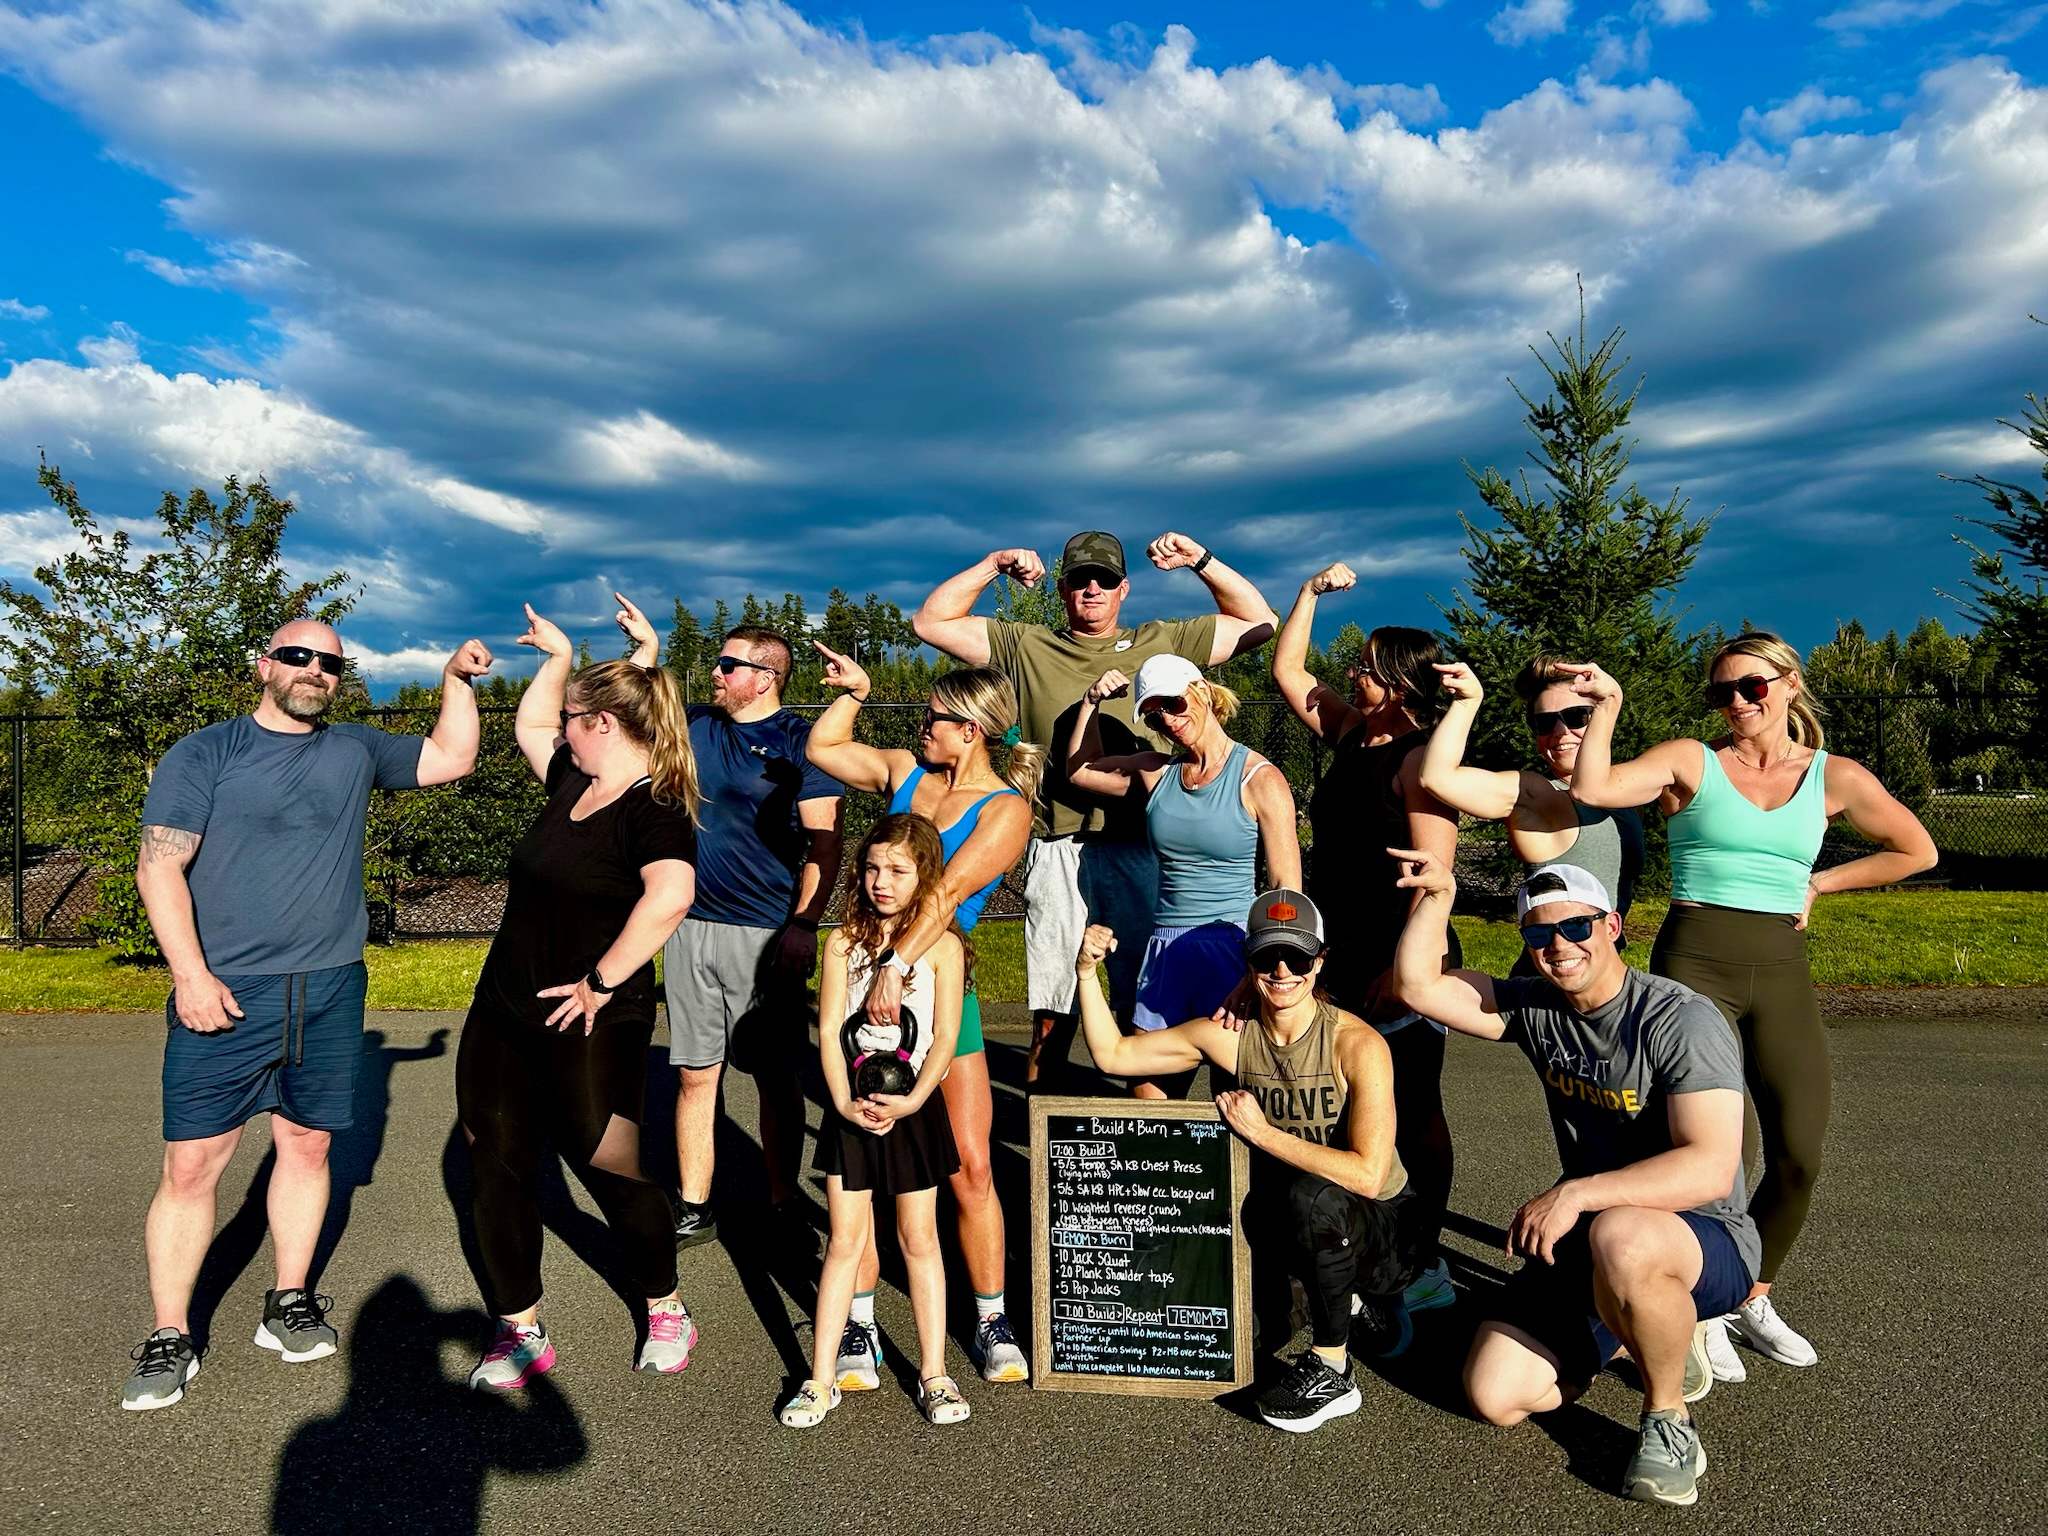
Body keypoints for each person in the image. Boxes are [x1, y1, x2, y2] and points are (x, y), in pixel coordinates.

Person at [122, 620, 491, 1410]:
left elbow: (453, 758)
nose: (313, 671)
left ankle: (288, 1299)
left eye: (329, 662)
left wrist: (455, 678)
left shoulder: (355, 748)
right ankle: (169, 1334)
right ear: (265, 666)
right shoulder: (206, 753)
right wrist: (190, 976)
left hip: (329, 989)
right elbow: (160, 868)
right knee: (193, 1165)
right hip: (227, 988)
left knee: (309, 1144)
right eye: (297, 657)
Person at [1564, 633, 1936, 1377]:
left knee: (1799, 1150)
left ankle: (1748, 1296)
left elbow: (1916, 850)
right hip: (1693, 960)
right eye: (1722, 693)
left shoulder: (1836, 777)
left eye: (1752, 688)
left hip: (1781, 967)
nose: (1737, 704)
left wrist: (1822, 883)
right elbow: (1594, 788)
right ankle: (1694, 1306)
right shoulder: (1690, 761)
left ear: (1789, 684)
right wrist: (1607, 705)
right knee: (1715, 1153)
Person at [1390, 854, 1756, 1508]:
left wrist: (1576, 1193)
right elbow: (1419, 988)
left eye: (1577, 927)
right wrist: (1437, 895)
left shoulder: (1678, 1020)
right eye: (1538, 935)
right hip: (1599, 1237)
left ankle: (1668, 1420)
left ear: (1612, 925)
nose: (1559, 946)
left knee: (1624, 1238)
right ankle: (1633, 1330)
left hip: (1704, 1237)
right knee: (1495, 1394)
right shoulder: (1535, 1007)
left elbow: (1709, 1164)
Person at [910, 530, 1276, 1087]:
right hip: (1059, 843)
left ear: (1124, 588)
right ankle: (1046, 1133)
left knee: (1145, 999)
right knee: (1055, 1002)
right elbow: (930, 623)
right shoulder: (1026, 644)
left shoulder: (1164, 641)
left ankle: (1139, 1136)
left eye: (1105, 579)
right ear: (1063, 589)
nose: (1092, 589)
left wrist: (1199, 560)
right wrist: (994, 563)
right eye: (1080, 580)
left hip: (1145, 846)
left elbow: (1260, 622)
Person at [459, 603, 702, 1390]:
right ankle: (520, 1327)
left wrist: (602, 980)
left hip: (595, 1014)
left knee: (610, 1166)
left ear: (602, 723)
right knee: (493, 1162)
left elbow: (670, 896)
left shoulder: (653, 807)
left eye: (573, 720)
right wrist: (557, 656)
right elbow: (532, 726)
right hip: (503, 1011)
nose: (561, 730)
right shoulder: (574, 781)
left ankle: (665, 1304)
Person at [1073, 890, 1419, 1434]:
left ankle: (1334, 1367)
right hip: (1283, 1216)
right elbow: (1113, 1055)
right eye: (1266, 957)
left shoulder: (1356, 1043)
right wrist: (1087, 973)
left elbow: (1370, 1175)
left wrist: (1261, 1133)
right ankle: (1330, 1298)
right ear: (1248, 962)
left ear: (1320, 961)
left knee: (1313, 1195)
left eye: (1298, 958)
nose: (1282, 970)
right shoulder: (1231, 1040)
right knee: (1249, 1336)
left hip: (1381, 1224)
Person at [804, 647, 1037, 1385]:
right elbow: (825, 748)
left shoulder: (1006, 809)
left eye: (935, 717)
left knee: (969, 1165)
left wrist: (898, 968)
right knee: (866, 1158)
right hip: (871, 981)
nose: (924, 725)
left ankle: (991, 1315)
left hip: (936, 984)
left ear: (970, 729)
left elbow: (943, 895)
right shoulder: (907, 772)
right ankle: (861, 1328)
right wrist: (856, 693)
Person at [1271, 562, 1461, 1314]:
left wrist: (1404, 968)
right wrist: (1308, 595)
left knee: (1415, 1111)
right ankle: (1351, 1242)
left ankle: (1424, 1252)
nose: (1353, 675)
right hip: (1339, 953)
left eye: (1368, 668)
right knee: (1346, 1106)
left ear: (1401, 681)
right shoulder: (1351, 732)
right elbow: (1287, 669)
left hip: (1399, 959)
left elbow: (1435, 873)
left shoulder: (1419, 761)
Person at [780, 814, 970, 1429]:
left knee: (920, 1240)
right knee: (845, 1244)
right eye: (871, 868)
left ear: (924, 876)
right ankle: (819, 1379)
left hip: (913, 1109)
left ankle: (935, 1374)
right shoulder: (843, 943)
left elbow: (944, 1039)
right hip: (851, 1111)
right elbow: (832, 1031)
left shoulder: (942, 946)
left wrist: (914, 1102)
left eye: (897, 871)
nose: (881, 882)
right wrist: (839, 1102)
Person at [662, 623, 844, 1251]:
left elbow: (826, 842)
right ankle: (693, 1204)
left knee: (773, 1075)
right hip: (687, 926)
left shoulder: (800, 742)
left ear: (765, 676)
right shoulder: (695, 724)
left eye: (727, 664)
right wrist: (640, 649)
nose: (715, 672)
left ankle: (780, 1197)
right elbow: (629, 702)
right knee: (693, 1073)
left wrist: (803, 924)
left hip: (764, 931)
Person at [1067, 652, 1301, 1097]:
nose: (1169, 722)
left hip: (1232, 951)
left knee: (1236, 1105)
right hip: (1166, 953)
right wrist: (1090, 701)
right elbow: (1080, 772)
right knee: (1148, 1105)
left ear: (1203, 692)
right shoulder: (1158, 772)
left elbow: (1285, 890)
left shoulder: (1259, 778)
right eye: (1154, 717)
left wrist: (1260, 974)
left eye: (1173, 705)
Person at [1418, 657, 1645, 935]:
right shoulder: (1538, 795)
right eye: (1545, 723)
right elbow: (1437, 777)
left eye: (1576, 717)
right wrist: (1468, 701)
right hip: (1558, 965)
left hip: (1607, 966)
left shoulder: (1623, 787)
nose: (1561, 732)